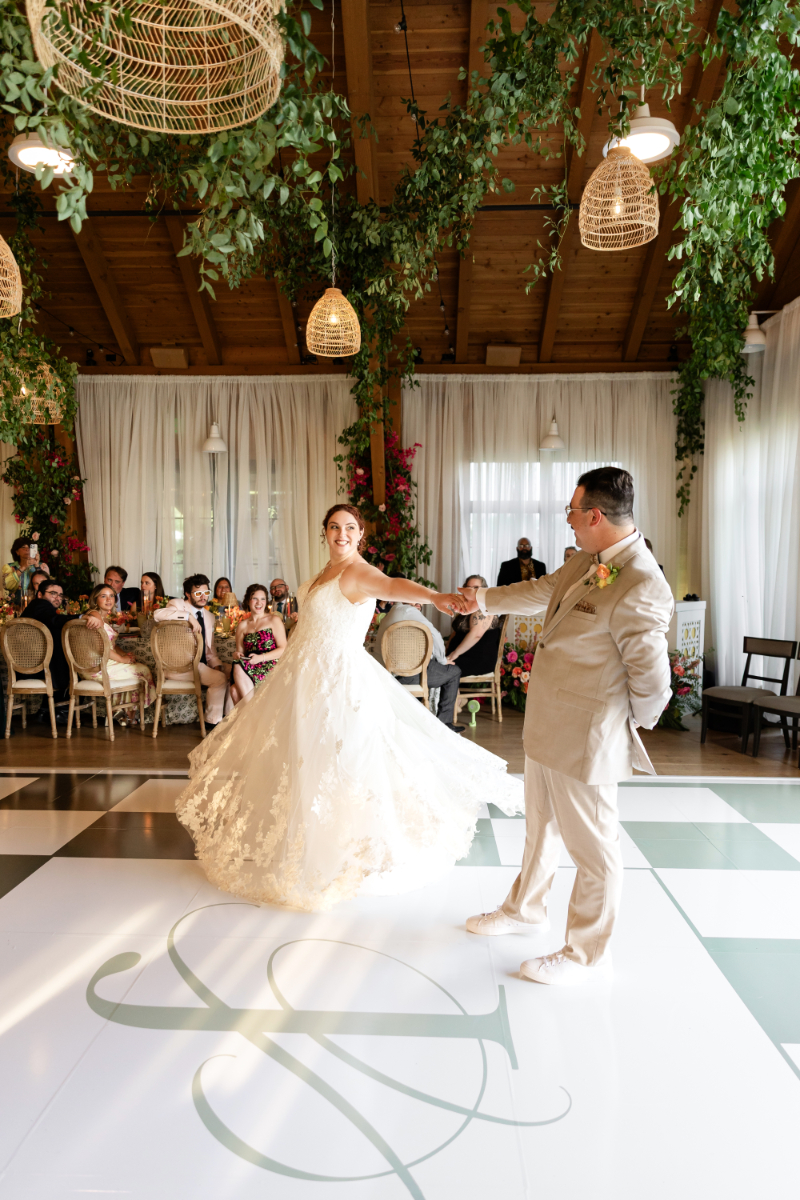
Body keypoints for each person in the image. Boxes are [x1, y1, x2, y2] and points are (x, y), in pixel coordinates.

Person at [176, 504, 523, 912]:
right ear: (324, 531)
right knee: (304, 760)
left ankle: (343, 856)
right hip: (303, 676)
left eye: (350, 528)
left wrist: (436, 597)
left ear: (361, 534)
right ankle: (308, 846)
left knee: (342, 762)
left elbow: (393, 585)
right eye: (334, 527)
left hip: (339, 679)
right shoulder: (322, 573)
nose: (341, 534)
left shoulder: (358, 572)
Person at [459, 467, 673, 987]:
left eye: (573, 512)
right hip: (549, 724)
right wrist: (477, 600)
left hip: (587, 735)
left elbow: (653, 683)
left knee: (595, 850)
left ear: (595, 516)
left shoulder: (642, 582)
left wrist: (624, 725)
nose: (569, 521)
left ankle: (586, 954)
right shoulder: (586, 560)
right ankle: (525, 909)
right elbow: (540, 590)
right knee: (541, 830)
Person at [375, 576, 464, 731]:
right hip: (409, 676)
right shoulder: (409, 611)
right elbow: (435, 636)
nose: (419, 604)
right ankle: (445, 724)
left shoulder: (391, 614)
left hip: (387, 674)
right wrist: (443, 660)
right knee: (454, 672)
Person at [153, 573, 232, 729]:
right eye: (198, 593)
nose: (203, 597)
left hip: (200, 665)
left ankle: (229, 717)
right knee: (220, 679)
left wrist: (216, 665)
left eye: (206, 593)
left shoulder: (209, 616)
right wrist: (188, 616)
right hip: (178, 667)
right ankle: (212, 722)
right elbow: (157, 614)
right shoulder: (177, 605)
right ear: (188, 594)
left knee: (234, 670)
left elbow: (210, 651)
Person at [20, 578, 103, 721]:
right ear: (40, 594)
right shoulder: (40, 605)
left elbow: (52, 621)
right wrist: (83, 617)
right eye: (53, 593)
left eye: (60, 595)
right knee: (75, 661)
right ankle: (63, 710)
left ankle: (48, 710)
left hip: (32, 664)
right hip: (35, 666)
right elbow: (54, 620)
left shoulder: (38, 609)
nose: (57, 597)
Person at [79, 584, 154, 721]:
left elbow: (110, 644)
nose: (109, 599)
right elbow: (101, 647)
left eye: (111, 596)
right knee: (142, 670)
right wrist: (122, 659)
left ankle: (123, 713)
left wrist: (124, 655)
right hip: (95, 667)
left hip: (103, 662)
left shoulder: (104, 617)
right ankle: (126, 714)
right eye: (103, 596)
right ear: (95, 599)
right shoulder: (94, 614)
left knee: (136, 668)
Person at [229, 583, 286, 705]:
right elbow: (240, 653)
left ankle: (252, 716)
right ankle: (252, 717)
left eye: (262, 599)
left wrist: (261, 658)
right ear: (248, 601)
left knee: (235, 689)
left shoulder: (273, 620)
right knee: (234, 689)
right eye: (255, 598)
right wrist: (237, 655)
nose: (259, 603)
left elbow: (284, 649)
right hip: (250, 665)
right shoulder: (242, 625)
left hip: (270, 663)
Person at [446, 574, 502, 677]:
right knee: (436, 666)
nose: (472, 590)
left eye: (476, 587)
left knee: (442, 669)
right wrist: (446, 649)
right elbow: (457, 632)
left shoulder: (483, 608)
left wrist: (454, 654)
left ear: (484, 590)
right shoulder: (468, 607)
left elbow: (476, 635)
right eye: (469, 587)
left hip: (478, 659)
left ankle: (452, 691)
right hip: (465, 655)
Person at [3, 537, 49, 603]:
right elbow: (7, 586)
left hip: (36, 605)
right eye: (23, 547)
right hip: (14, 606)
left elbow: (46, 587)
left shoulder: (43, 566)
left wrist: (36, 566)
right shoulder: (9, 567)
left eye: (30, 547)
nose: (27, 549)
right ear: (17, 552)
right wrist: (23, 567)